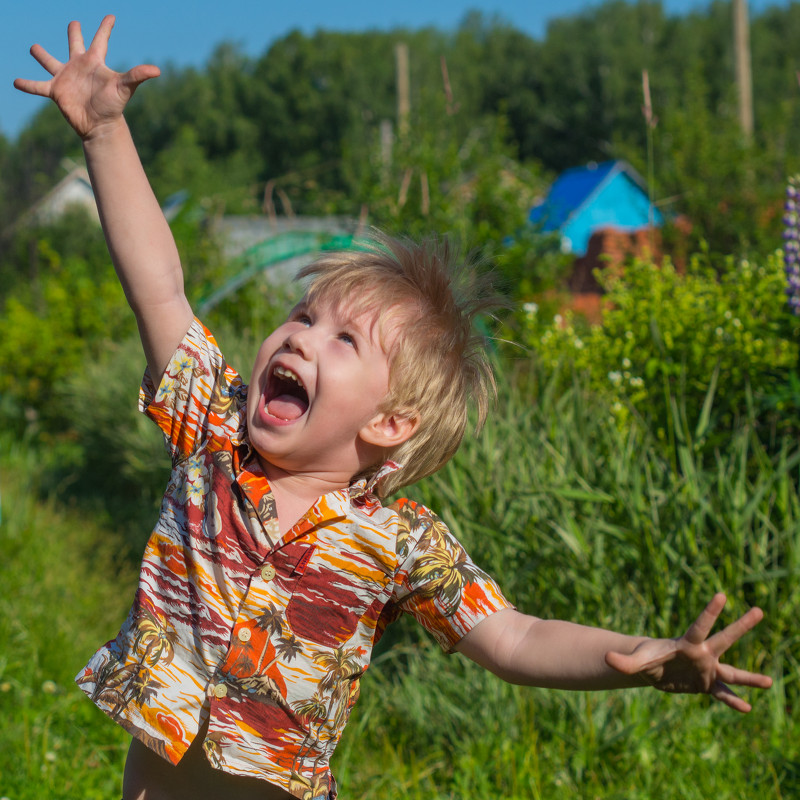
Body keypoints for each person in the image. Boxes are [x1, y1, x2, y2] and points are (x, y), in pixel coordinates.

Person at [15, 16, 773, 800]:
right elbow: (161, 285)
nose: (300, 339)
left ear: (389, 424)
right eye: (304, 316)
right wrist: (104, 135)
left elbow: (514, 636)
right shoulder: (211, 426)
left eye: (344, 340)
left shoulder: (400, 541)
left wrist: (644, 658)